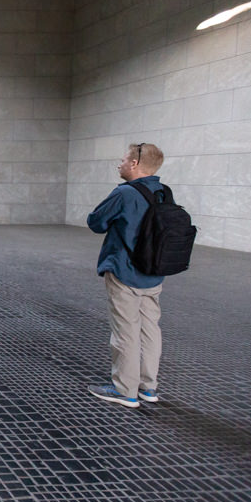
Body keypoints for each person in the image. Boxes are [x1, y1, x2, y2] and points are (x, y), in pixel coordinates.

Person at [86, 143, 167, 409]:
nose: (118, 164)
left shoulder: (125, 193)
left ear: (134, 164)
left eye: (122, 160)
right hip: (154, 273)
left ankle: (125, 390)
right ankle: (148, 387)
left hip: (125, 270)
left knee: (125, 332)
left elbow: (96, 222)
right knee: (150, 330)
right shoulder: (164, 192)